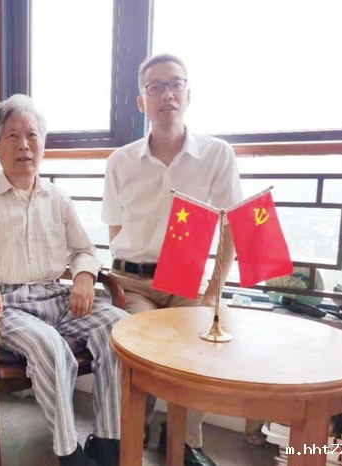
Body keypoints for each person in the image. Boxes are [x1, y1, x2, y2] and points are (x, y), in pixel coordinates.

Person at [0, 94, 128, 466]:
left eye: (32, 135)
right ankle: (69, 453)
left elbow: (83, 250)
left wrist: (85, 276)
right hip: (1, 305)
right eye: (12, 136)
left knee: (120, 329)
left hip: (55, 298)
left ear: (43, 144)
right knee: (49, 345)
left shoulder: (58, 199)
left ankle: (108, 443)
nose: (24, 144)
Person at [101, 54, 243, 466]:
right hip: (133, 282)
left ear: (188, 94)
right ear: (141, 100)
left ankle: (183, 440)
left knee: (207, 339)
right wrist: (128, 275)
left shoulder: (216, 154)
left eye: (175, 84)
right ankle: (136, 426)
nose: (167, 94)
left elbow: (233, 225)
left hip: (187, 280)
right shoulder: (120, 161)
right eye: (156, 87)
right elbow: (115, 230)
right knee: (138, 346)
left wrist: (213, 290)